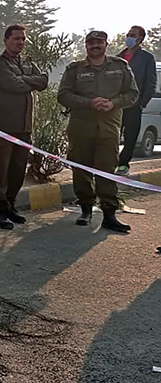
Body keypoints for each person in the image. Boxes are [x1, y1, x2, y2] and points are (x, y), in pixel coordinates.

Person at [57, 31, 139, 233]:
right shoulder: (74, 69)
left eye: (99, 42)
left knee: (107, 171)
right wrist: (88, 103)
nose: (95, 45)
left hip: (109, 129)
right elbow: (63, 95)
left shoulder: (120, 67)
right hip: (81, 129)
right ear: (86, 46)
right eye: (91, 42)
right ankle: (86, 209)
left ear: (106, 44)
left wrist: (113, 103)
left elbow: (133, 93)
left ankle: (109, 215)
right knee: (81, 171)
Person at [0, 24, 49, 230]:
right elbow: (12, 85)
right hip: (3, 127)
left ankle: (10, 205)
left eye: (23, 39)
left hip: (24, 127)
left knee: (17, 170)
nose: (20, 42)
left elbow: (43, 81)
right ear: (6, 40)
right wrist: (29, 82)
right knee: (0, 170)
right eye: (16, 38)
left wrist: (25, 80)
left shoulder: (27, 63)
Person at [116, 26, 158, 175]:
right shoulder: (117, 57)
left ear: (140, 39)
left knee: (130, 137)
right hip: (116, 104)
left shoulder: (147, 58)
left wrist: (142, 103)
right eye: (128, 34)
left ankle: (123, 164)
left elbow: (151, 82)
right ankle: (109, 163)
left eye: (132, 35)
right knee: (112, 135)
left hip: (134, 104)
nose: (129, 37)